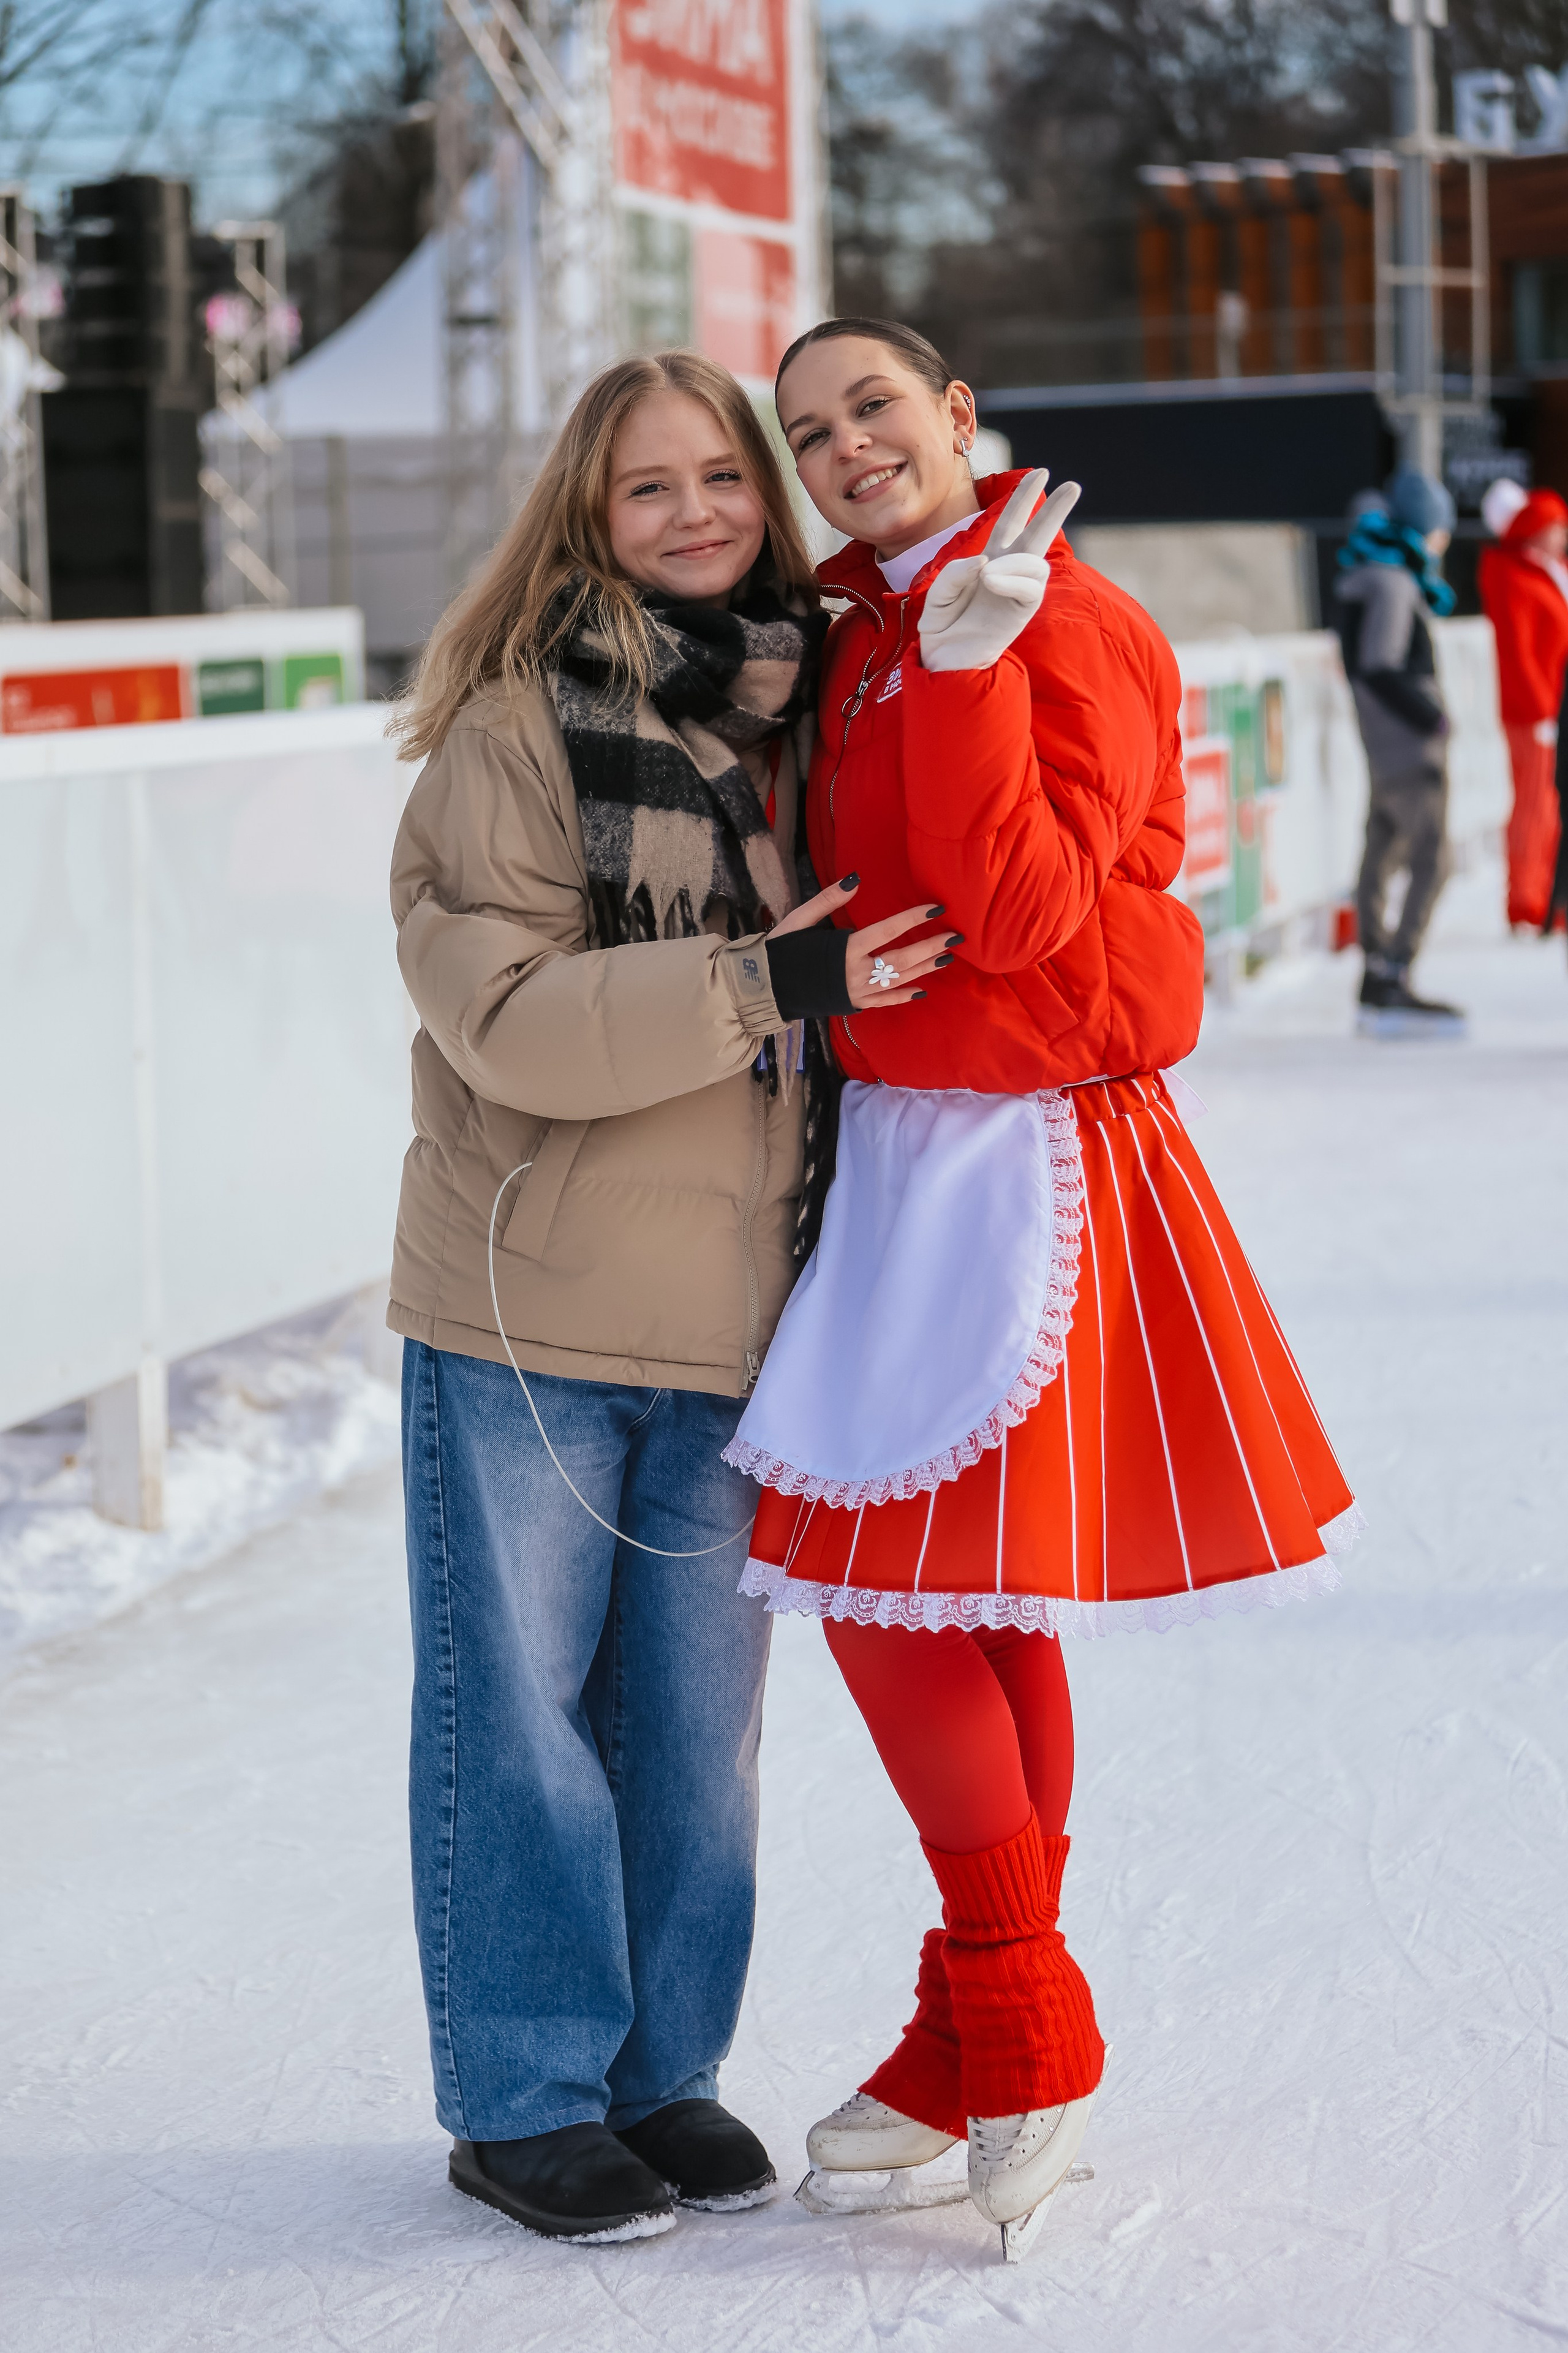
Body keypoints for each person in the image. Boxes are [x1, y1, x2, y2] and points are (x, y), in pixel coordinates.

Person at [718, 317, 1360, 2259]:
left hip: (1015, 1151)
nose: (845, 449)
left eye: (876, 411)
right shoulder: (871, 628)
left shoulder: (1050, 619)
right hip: (910, 1141)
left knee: (888, 1580)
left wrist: (984, 676)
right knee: (954, 1591)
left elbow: (1035, 923)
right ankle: (967, 2021)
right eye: (811, 430)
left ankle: (1010, 2009)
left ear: (959, 416)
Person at [386, 349, 946, 2245]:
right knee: (519, 1719)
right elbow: (506, 1013)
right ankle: (525, 2093)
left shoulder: (800, 705)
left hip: (737, 1316)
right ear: (587, 516)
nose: (696, 509)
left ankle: (660, 2073)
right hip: (526, 1310)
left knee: (693, 1728)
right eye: (648, 488)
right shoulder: (513, 729)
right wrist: (759, 981)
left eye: (723, 472)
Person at [1334, 467, 1466, 1031]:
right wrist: (1431, 717)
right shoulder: (1393, 582)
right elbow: (1381, 665)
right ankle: (1393, 971)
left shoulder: (1371, 576)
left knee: (1383, 847)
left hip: (1385, 743)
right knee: (1432, 858)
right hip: (1409, 746)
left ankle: (1377, 971)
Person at [1477, 478, 1568, 931]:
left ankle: (1550, 893)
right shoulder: (1513, 574)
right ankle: (1527, 899)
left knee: (1552, 806)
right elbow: (1518, 650)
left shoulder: (1548, 570)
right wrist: (1540, 712)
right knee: (1535, 805)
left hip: (1553, 705)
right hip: (1534, 711)